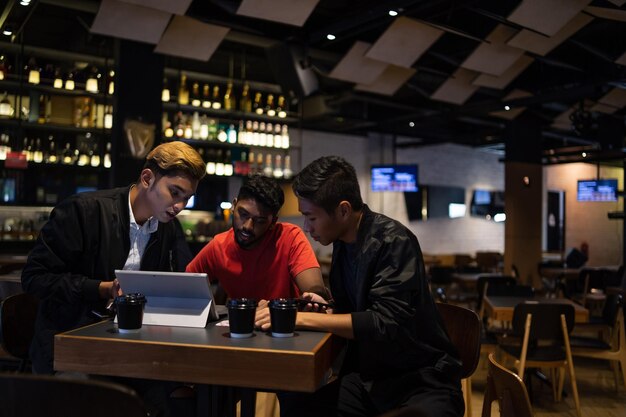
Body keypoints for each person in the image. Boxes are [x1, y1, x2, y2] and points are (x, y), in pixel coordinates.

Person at [262, 156, 464, 417]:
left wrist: (302, 319)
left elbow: (385, 324)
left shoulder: (393, 240)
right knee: (297, 402)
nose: (306, 227)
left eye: (311, 217)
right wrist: (319, 308)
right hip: (372, 381)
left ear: (343, 211)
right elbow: (353, 311)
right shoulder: (343, 243)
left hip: (421, 382)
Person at [22, 141, 205, 375]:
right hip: (68, 343)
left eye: (187, 198)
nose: (180, 205)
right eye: (175, 192)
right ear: (148, 178)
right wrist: (101, 288)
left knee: (186, 386)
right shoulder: (84, 211)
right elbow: (35, 278)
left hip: (130, 346)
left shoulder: (168, 228)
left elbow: (180, 282)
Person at [186, 174, 327, 313]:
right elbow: (185, 286)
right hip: (242, 328)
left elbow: (314, 291)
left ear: (273, 222)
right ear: (234, 206)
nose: (247, 226)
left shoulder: (290, 237)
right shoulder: (219, 246)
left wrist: (314, 297)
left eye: (259, 221)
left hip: (285, 328)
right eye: (243, 214)